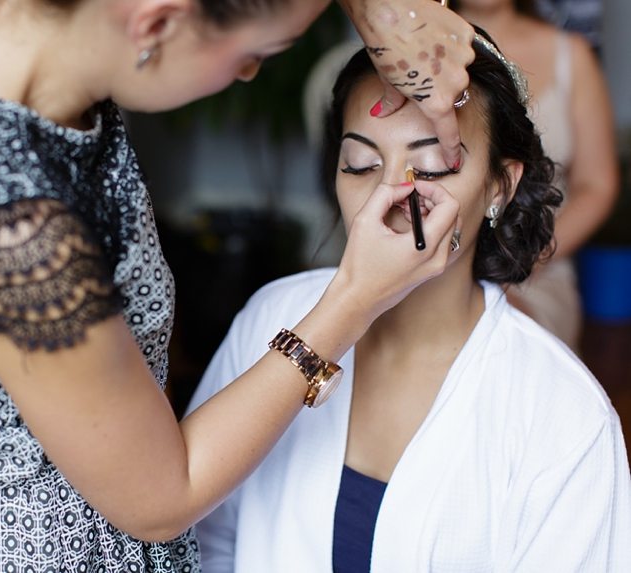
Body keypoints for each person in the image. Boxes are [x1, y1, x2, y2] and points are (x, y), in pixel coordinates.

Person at [0, 0, 477, 570]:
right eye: (258, 53)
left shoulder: (2, 25)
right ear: (158, 20)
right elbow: (166, 495)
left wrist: (381, 8)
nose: (251, 74)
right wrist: (355, 296)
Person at [189, 33, 631, 572]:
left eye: (435, 165)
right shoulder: (272, 318)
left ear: (499, 187)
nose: (390, 195)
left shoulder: (565, 415)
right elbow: (204, 539)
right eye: (359, 163)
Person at [451, 0, 619, 350]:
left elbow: (597, 185)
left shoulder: (571, 55)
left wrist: (528, 257)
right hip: (437, 258)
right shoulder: (415, 51)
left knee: (502, 334)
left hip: (538, 267)